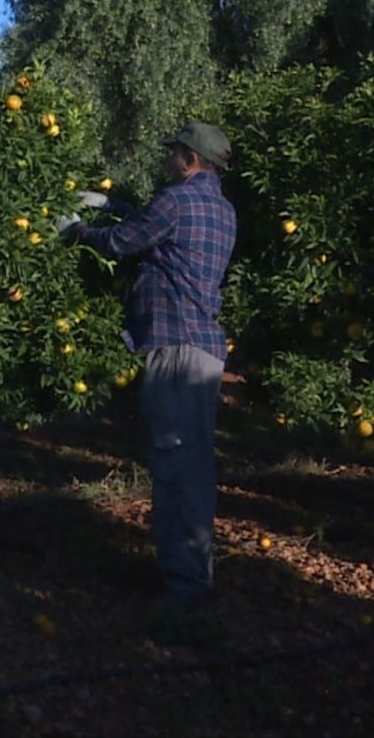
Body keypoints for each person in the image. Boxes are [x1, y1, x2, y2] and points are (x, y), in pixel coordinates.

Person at [59, 122, 236, 613]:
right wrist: (115, 206)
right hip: (203, 350)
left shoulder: (176, 201)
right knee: (195, 463)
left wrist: (77, 230)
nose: (168, 161)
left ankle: (183, 592)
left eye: (174, 153)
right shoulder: (222, 209)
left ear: (190, 158)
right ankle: (194, 575)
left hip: (175, 348)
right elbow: (159, 236)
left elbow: (123, 243)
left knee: (175, 462)